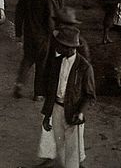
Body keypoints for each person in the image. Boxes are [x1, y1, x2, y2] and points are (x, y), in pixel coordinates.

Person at [38, 27, 95, 168]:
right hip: (57, 108)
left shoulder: (84, 68)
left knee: (73, 150)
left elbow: (90, 95)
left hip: (73, 111)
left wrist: (80, 112)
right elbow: (51, 91)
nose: (57, 46)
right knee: (58, 143)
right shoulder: (56, 62)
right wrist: (47, 115)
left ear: (69, 48)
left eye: (60, 45)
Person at [15, 0, 56, 100]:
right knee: (41, 65)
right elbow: (50, 21)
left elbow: (18, 15)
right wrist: (53, 34)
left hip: (29, 35)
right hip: (43, 38)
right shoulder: (46, 0)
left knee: (27, 60)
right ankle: (38, 93)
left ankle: (19, 84)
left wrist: (18, 33)